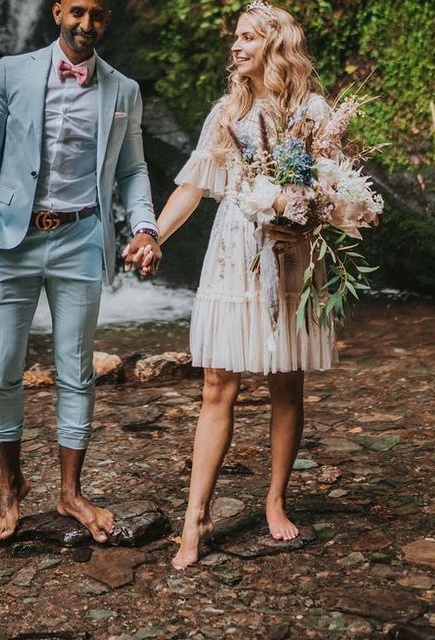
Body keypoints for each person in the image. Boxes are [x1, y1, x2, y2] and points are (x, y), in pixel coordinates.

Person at [146, 1, 337, 569]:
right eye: (235, 37)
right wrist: (153, 234)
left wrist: (309, 210)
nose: (235, 46)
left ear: (275, 47)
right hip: (234, 254)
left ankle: (275, 500)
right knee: (216, 383)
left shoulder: (316, 111)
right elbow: (194, 185)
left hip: (289, 255)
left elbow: (335, 186)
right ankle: (194, 517)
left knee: (286, 380)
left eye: (248, 38)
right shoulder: (226, 111)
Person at [0, 0, 162, 542]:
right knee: (1, 367)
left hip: (80, 239)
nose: (86, 24)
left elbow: (134, 168)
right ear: (56, 12)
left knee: (76, 369)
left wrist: (144, 226)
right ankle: (11, 483)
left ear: (107, 21)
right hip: (10, 239)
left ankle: (70, 492)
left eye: (98, 15)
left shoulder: (123, 90)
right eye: (77, 11)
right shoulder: (8, 74)